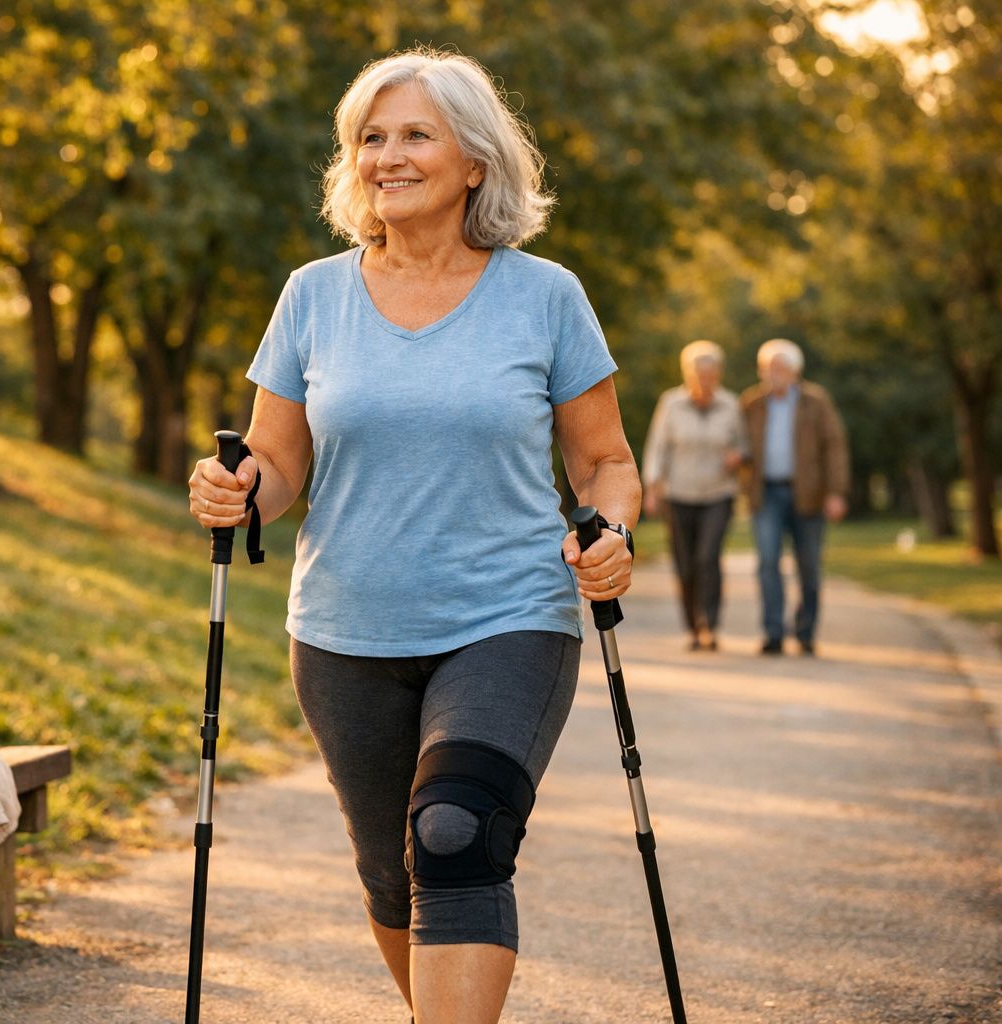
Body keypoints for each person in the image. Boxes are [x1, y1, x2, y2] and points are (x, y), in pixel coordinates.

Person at [186, 49, 639, 1024]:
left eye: (415, 135)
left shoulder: (546, 296)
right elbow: (277, 463)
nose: (386, 156)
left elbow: (605, 460)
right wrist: (235, 492)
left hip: (508, 615)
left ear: (476, 160)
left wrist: (615, 532)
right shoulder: (313, 295)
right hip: (347, 628)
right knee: (395, 877)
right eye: (370, 138)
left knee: (454, 833)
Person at [739, 338, 849, 656]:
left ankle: (806, 632)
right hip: (767, 493)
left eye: (780, 369)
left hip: (809, 493)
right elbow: (739, 442)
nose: (774, 374)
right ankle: (773, 632)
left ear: (795, 371)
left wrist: (836, 492)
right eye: (768, 369)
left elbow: (835, 446)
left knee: (809, 566)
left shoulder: (816, 401)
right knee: (768, 562)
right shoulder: (752, 402)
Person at [640, 340, 747, 651]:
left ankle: (709, 625)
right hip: (678, 494)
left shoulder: (731, 404)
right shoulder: (671, 403)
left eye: (711, 373)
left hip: (718, 494)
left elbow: (744, 444)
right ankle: (691, 626)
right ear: (688, 374)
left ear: (718, 373)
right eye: (699, 373)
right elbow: (658, 447)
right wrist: (653, 487)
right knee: (685, 564)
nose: (705, 379)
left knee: (708, 558)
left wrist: (738, 456)